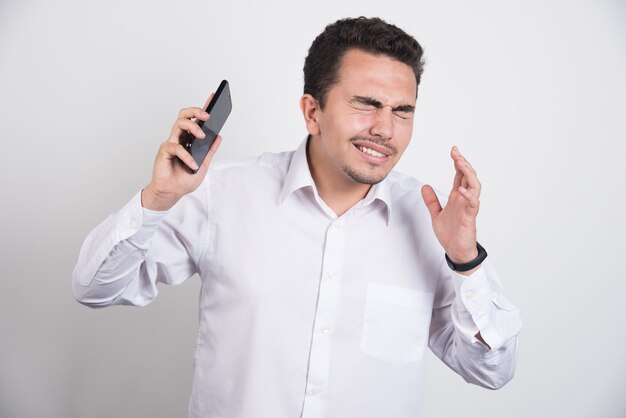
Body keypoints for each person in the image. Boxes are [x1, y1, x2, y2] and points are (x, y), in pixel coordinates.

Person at [73, 16, 521, 418]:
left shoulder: (432, 222)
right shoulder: (221, 194)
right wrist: (157, 198)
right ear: (312, 112)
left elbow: (492, 370)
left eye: (402, 110)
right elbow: (94, 288)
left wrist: (465, 258)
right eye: (366, 103)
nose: (385, 128)